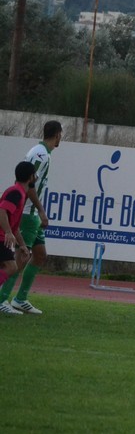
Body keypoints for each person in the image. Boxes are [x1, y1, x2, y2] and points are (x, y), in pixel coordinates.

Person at [0, 120, 61, 316]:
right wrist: (41, 210)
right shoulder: (40, 154)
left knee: (40, 254)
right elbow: (27, 184)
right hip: (28, 213)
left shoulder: (42, 153)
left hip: (31, 214)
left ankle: (20, 299)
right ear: (58, 135)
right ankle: (2, 299)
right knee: (21, 258)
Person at [0, 162, 35, 304]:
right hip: (1, 237)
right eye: (35, 175)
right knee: (11, 267)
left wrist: (23, 245)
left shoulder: (19, 193)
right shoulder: (16, 192)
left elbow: (14, 227)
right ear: (31, 177)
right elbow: (2, 210)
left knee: (8, 267)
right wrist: (8, 232)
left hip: (3, 237)